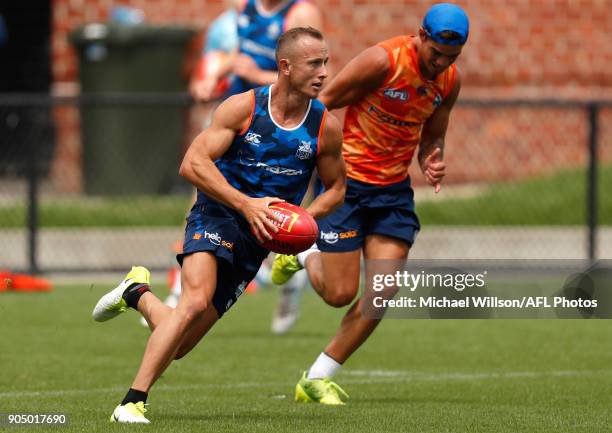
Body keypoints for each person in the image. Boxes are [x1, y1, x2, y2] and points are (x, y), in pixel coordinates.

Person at [91, 27, 345, 424]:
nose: (324, 72)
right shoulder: (243, 108)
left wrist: (301, 221)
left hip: (258, 238)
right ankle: (132, 401)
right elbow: (192, 163)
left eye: (325, 62)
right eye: (315, 63)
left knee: (178, 343)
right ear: (286, 67)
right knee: (193, 301)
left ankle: (135, 292)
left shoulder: (324, 126)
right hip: (218, 213)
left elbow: (338, 188)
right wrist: (246, 205)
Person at [271, 3, 469, 404]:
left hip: (393, 194)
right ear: (421, 35)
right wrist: (306, 164)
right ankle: (305, 249)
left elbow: (432, 136)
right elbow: (322, 103)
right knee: (339, 293)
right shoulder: (383, 60)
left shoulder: (449, 81)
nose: (442, 63)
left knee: (383, 290)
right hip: (349, 188)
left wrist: (432, 158)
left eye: (452, 57)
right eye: (437, 54)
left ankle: (318, 377)